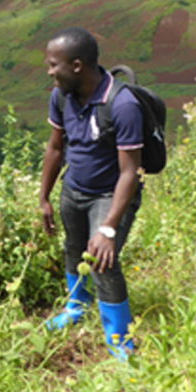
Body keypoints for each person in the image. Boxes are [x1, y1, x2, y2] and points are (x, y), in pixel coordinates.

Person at [38, 27, 141, 359]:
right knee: (74, 247)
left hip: (111, 196)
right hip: (74, 189)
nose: (50, 72)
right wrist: (45, 197)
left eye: (55, 65)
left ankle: (120, 340)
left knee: (102, 261)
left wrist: (109, 227)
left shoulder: (122, 104)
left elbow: (129, 173)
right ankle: (76, 308)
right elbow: (55, 149)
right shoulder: (62, 96)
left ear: (78, 65)